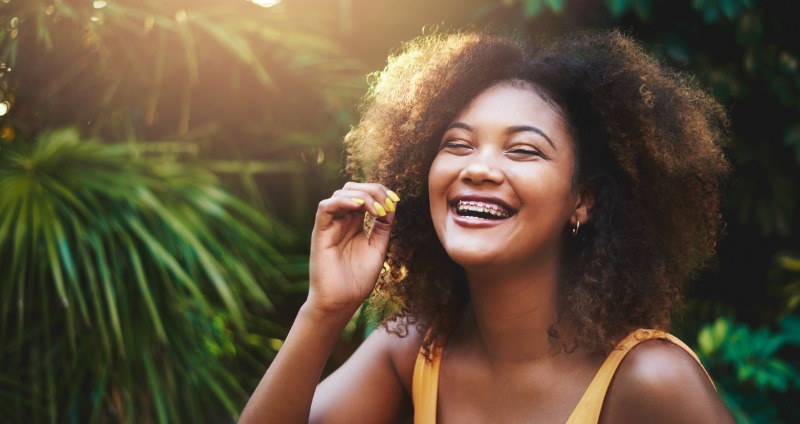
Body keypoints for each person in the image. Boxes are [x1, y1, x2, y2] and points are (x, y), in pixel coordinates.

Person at [239, 28, 735, 423]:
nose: (477, 168)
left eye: (524, 150)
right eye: (457, 144)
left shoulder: (650, 380)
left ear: (582, 201)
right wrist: (325, 309)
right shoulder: (414, 350)